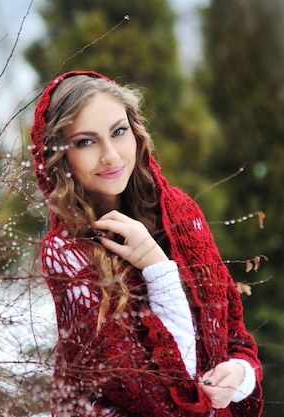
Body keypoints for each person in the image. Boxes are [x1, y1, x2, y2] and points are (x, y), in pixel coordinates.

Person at [29, 71, 263, 416]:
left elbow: (237, 340)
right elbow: (154, 397)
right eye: (85, 141)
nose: (110, 155)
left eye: (118, 132)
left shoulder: (182, 215)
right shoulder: (66, 254)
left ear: (136, 132)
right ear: (58, 157)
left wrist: (238, 376)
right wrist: (158, 269)